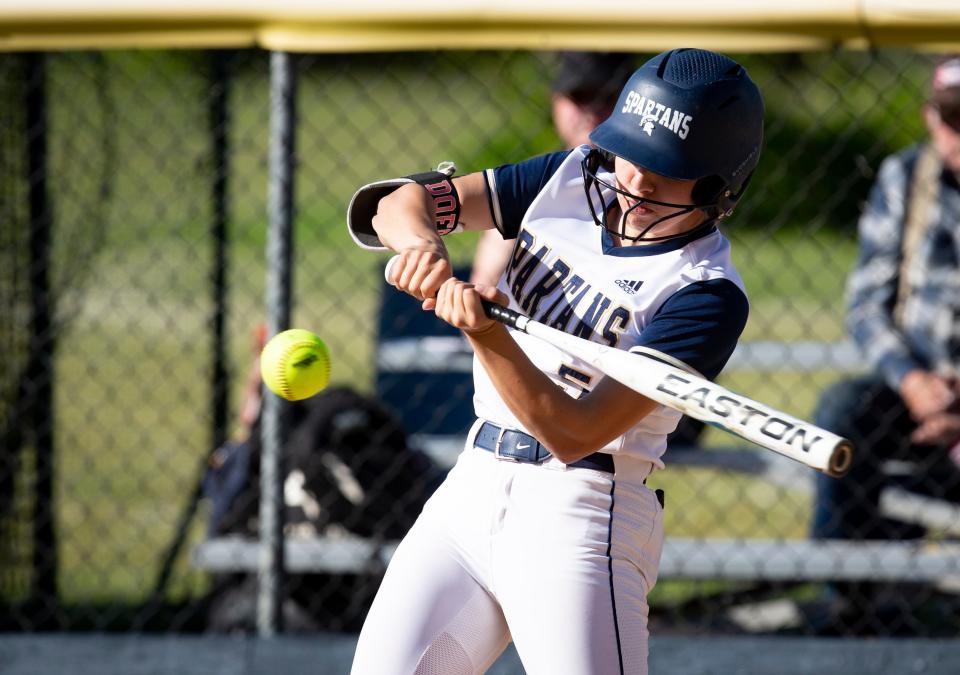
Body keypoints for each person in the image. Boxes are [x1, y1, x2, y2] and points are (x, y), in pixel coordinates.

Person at [347, 47, 764, 674]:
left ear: (717, 184)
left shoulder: (705, 293)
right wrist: (425, 244)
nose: (637, 180)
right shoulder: (570, 179)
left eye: (666, 168)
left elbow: (575, 432)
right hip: (471, 491)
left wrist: (488, 336)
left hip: (583, 516)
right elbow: (396, 204)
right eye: (632, 153)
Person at [810, 55, 960, 618]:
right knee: (842, 409)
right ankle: (844, 597)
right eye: (952, 118)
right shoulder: (907, 178)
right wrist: (913, 380)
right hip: (916, 387)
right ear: (929, 117)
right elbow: (867, 306)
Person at [469, 51, 633, 288]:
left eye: (605, 97)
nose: (592, 110)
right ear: (556, 101)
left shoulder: (652, 184)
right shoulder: (535, 178)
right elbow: (484, 285)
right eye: (580, 97)